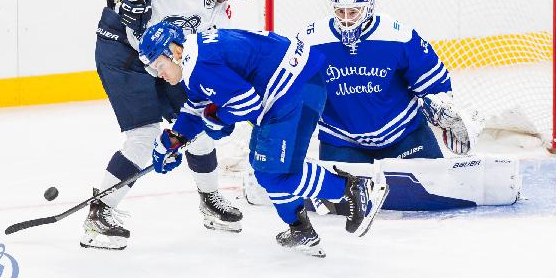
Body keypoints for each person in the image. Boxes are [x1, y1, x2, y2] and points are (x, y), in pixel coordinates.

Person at [137, 22, 389, 258]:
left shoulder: (198, 65)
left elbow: (245, 102)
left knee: (273, 171)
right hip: (299, 85)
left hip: (293, 91)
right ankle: (300, 229)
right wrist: (175, 137)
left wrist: (218, 119)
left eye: (159, 65)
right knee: (268, 169)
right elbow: (198, 106)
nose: (158, 74)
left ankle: (354, 189)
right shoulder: (195, 57)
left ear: (174, 51)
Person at [82, 0, 256, 250]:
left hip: (168, 59)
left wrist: (203, 113)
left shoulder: (220, 14)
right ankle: (100, 213)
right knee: (144, 137)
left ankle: (209, 199)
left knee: (197, 123)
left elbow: (203, 60)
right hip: (122, 49)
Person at [302, 0, 484, 213]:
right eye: (341, 12)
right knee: (343, 207)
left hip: (402, 134)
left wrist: (441, 106)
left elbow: (432, 80)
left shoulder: (397, 36)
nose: (346, 19)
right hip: (343, 138)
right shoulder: (311, 40)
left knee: (439, 189)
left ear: (367, 10)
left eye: (353, 12)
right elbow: (293, 85)